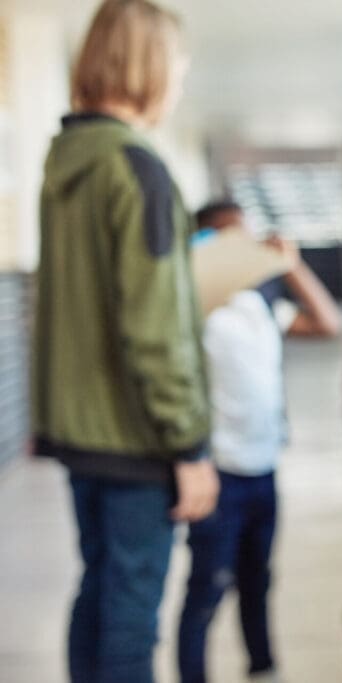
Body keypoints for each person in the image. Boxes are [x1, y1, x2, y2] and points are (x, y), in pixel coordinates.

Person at [31, 2, 217, 682]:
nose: (180, 79)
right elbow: (154, 324)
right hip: (138, 433)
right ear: (151, 66)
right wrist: (188, 443)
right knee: (133, 619)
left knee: (100, 590)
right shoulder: (137, 168)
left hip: (80, 429)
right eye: (178, 64)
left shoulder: (65, 165)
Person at [177, 200, 341, 683]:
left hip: (263, 469)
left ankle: (263, 667)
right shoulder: (195, 310)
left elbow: (328, 322)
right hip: (219, 473)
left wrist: (290, 266)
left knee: (257, 582)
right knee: (207, 591)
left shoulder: (263, 304)